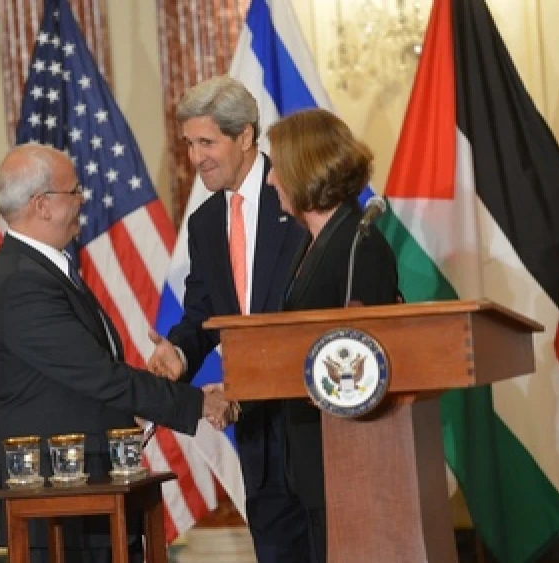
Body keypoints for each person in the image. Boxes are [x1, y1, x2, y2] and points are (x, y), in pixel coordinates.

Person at [0, 144, 231, 563]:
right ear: (42, 205)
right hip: (58, 502)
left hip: (88, 494)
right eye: (73, 191)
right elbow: (98, 376)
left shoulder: (46, 268)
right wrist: (198, 403)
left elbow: (91, 377)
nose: (82, 200)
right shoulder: (23, 281)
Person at [146, 75, 313, 562]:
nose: (196, 157)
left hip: (314, 425)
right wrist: (178, 352)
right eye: (190, 144)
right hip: (258, 436)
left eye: (207, 142)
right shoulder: (203, 222)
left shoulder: (298, 196)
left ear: (245, 138)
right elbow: (203, 308)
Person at [266, 108, 401, 562]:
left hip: (349, 459)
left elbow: (370, 362)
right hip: (314, 458)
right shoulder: (312, 244)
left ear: (303, 168)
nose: (270, 181)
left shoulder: (359, 246)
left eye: (277, 168)